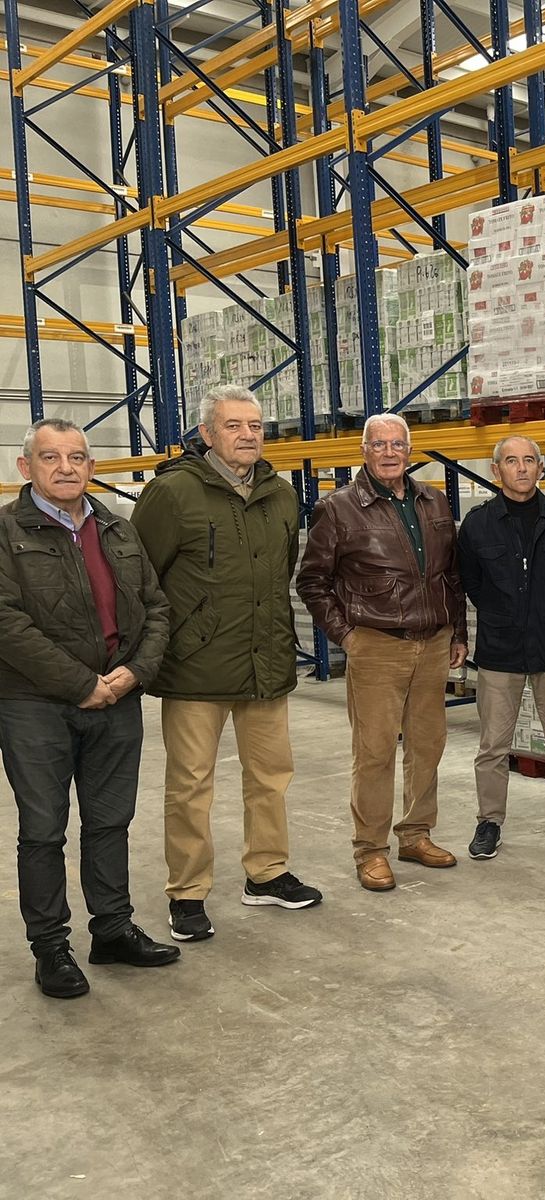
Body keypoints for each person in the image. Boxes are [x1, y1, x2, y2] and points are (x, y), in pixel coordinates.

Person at [131, 384, 322, 944]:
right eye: (234, 425)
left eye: (255, 426)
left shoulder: (280, 494)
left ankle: (266, 872)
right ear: (207, 434)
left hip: (265, 661)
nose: (247, 435)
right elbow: (143, 577)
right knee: (191, 783)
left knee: (271, 777)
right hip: (196, 666)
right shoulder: (173, 493)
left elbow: (281, 570)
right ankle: (187, 893)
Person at [0, 418, 179, 997]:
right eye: (51, 458)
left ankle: (112, 929)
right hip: (34, 705)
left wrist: (135, 673)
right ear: (25, 468)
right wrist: (81, 683)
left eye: (77, 457)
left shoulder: (117, 529)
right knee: (44, 831)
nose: (66, 467)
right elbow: (7, 624)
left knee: (109, 822)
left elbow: (156, 608)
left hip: (116, 700)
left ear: (91, 467)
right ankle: (51, 948)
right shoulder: (5, 533)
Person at [296, 413, 468, 891]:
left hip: (432, 642)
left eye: (398, 444)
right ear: (364, 451)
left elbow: (450, 574)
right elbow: (313, 581)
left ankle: (415, 833)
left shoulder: (433, 500)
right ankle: (370, 849)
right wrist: (347, 637)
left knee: (427, 746)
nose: (389, 452)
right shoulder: (340, 509)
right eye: (380, 445)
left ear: (409, 450)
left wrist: (458, 633)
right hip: (376, 644)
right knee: (374, 753)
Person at [458, 435, 545, 860]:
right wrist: (506, 615)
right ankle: (489, 822)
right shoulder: (478, 524)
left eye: (529, 460)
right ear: (496, 471)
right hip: (500, 649)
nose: (521, 468)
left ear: (540, 468)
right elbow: (471, 583)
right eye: (511, 461)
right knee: (493, 746)